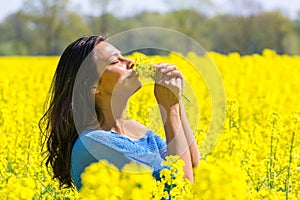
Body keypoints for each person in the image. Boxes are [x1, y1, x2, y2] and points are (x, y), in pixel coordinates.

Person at [39, 35, 200, 190]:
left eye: (123, 56)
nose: (130, 62)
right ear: (93, 86)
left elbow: (192, 164)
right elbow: (181, 185)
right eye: (116, 61)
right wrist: (169, 110)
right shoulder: (94, 142)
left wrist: (176, 101)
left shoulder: (136, 130)